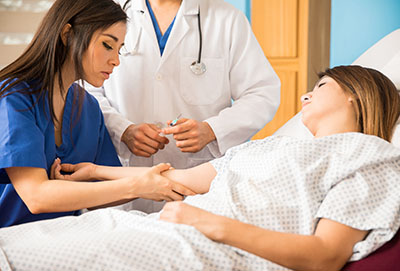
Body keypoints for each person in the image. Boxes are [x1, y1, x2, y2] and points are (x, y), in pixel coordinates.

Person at [1, 65, 398, 271]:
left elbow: (325, 256)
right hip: (160, 229)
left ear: (355, 96)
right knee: (22, 244)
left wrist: (207, 224)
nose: (306, 93)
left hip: (203, 246)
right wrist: (95, 171)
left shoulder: (369, 157)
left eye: (323, 86)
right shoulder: (273, 147)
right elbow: (178, 180)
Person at [0, 0, 194, 228]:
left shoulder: (87, 107)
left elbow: (101, 193)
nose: (116, 60)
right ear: (67, 34)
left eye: (120, 49)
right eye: (107, 45)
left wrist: (161, 180)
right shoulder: (14, 97)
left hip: (58, 238)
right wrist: (137, 185)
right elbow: (36, 197)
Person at [87, 0, 281, 212]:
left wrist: (212, 130)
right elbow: (87, 88)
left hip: (196, 182)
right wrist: (122, 130)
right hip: (124, 174)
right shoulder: (107, 11)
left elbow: (262, 93)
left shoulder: (226, 19)